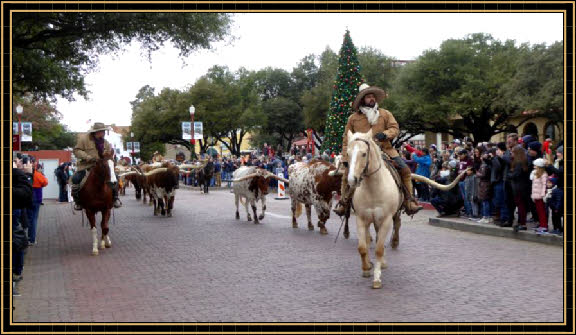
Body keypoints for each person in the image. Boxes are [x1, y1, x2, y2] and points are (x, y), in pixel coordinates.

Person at [334, 83, 423, 217]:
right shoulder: (353, 119)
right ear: (362, 100)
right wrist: (346, 158)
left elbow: (395, 128)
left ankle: (409, 201)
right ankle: (344, 202)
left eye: (372, 96)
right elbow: (346, 140)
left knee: (404, 169)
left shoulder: (385, 114)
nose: (371, 99)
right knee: (347, 175)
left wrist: (386, 134)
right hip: (361, 154)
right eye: (368, 97)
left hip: (386, 150)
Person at [71, 122, 122, 210]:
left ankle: (115, 198)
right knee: (76, 178)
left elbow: (109, 155)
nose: (103, 133)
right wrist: (88, 157)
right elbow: (76, 150)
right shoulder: (84, 140)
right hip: (87, 166)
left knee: (115, 178)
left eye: (104, 131)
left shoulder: (106, 143)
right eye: (101, 131)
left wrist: (107, 157)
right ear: (96, 132)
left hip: (102, 167)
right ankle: (77, 201)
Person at [509, 146, 531, 232]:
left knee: (521, 205)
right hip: (523, 186)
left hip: (519, 187)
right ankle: (522, 222)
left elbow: (516, 174)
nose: (511, 153)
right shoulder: (524, 161)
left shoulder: (518, 163)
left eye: (513, 152)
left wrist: (509, 175)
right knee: (522, 205)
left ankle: (522, 223)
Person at [26, 161, 48, 245]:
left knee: (29, 218)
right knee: (34, 219)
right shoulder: (37, 174)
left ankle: (28, 237)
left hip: (27, 198)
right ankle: (32, 239)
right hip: (36, 198)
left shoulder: (24, 175)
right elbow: (45, 182)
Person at [531, 158, 549, 233]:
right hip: (536, 195)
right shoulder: (535, 174)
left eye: (535, 165)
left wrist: (543, 194)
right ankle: (542, 225)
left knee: (542, 212)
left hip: (540, 196)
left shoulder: (543, 174)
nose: (534, 166)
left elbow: (544, 185)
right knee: (539, 211)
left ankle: (544, 226)